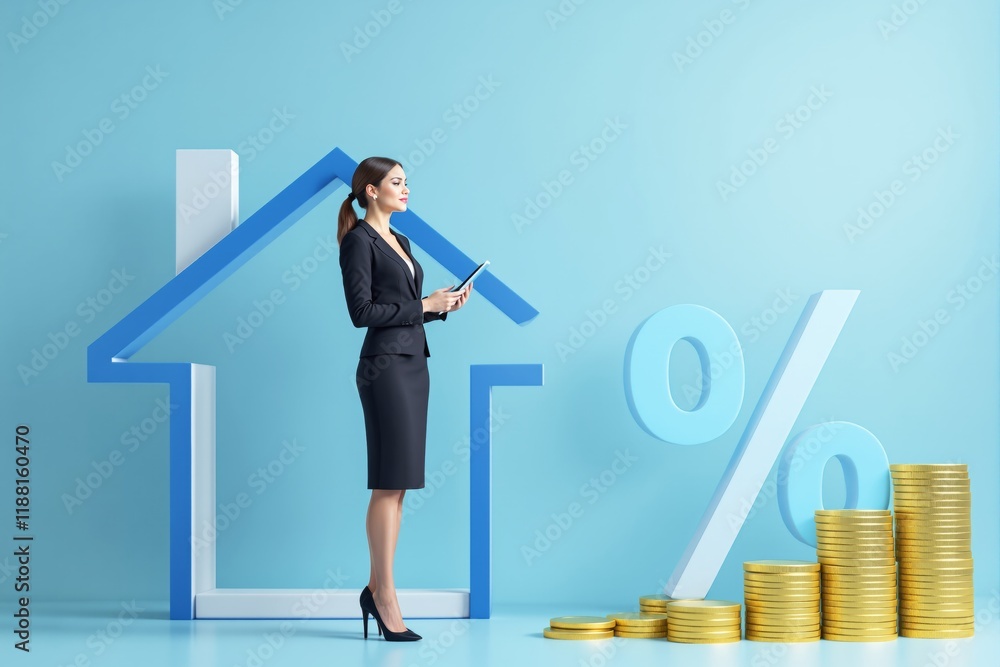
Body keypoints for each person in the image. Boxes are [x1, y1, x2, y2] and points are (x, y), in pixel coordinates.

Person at [337, 157, 472, 641]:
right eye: (396, 182)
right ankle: (385, 595)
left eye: (407, 182)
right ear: (371, 191)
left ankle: (376, 589)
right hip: (384, 368)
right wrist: (423, 305)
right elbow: (362, 312)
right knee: (388, 482)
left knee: (401, 485)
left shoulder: (402, 241)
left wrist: (439, 307)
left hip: (413, 364)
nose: (405, 188)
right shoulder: (358, 241)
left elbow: (403, 309)